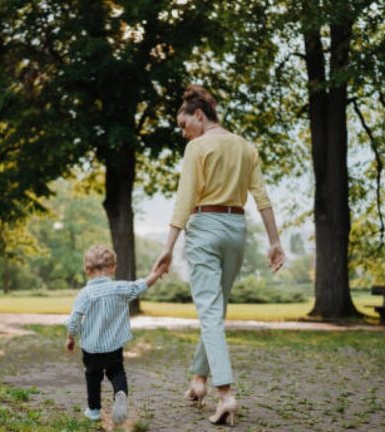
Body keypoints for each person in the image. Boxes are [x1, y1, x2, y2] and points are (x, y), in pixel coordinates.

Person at [152, 85, 285, 426]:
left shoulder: (198, 147)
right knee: (216, 309)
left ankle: (225, 395)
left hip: (205, 227)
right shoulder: (246, 147)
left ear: (199, 115)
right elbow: (262, 197)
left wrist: (168, 247)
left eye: (184, 125)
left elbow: (185, 200)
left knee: (210, 312)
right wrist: (274, 241)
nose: (184, 134)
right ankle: (198, 380)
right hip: (237, 231)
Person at [65, 245, 164, 425]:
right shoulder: (121, 288)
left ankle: (94, 410)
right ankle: (120, 393)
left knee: (92, 376)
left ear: (88, 270)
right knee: (117, 372)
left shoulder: (85, 294)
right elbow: (142, 285)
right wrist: (158, 273)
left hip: (91, 347)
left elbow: (74, 320)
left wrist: (71, 337)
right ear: (113, 268)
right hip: (113, 346)